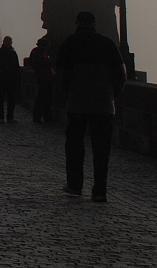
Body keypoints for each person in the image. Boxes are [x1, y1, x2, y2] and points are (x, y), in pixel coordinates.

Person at [57, 11, 126, 202]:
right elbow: (121, 74)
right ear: (95, 23)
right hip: (104, 104)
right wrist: (113, 95)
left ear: (77, 23)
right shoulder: (108, 44)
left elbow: (61, 74)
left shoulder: (70, 43)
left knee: (75, 145)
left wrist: (68, 93)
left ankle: (75, 185)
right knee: (101, 148)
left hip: (77, 102)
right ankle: (100, 190)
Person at [0, 36, 21, 122]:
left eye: (9, 42)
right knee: (1, 99)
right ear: (4, 42)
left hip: (10, 79)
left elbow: (16, 67)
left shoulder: (11, 53)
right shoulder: (1, 52)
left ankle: (9, 117)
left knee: (10, 99)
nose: (8, 43)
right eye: (7, 42)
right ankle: (1, 117)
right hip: (2, 79)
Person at [28, 38, 56, 123]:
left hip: (41, 77)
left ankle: (39, 117)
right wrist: (52, 61)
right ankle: (45, 117)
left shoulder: (35, 51)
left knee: (41, 98)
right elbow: (45, 63)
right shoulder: (41, 52)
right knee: (45, 98)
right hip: (45, 78)